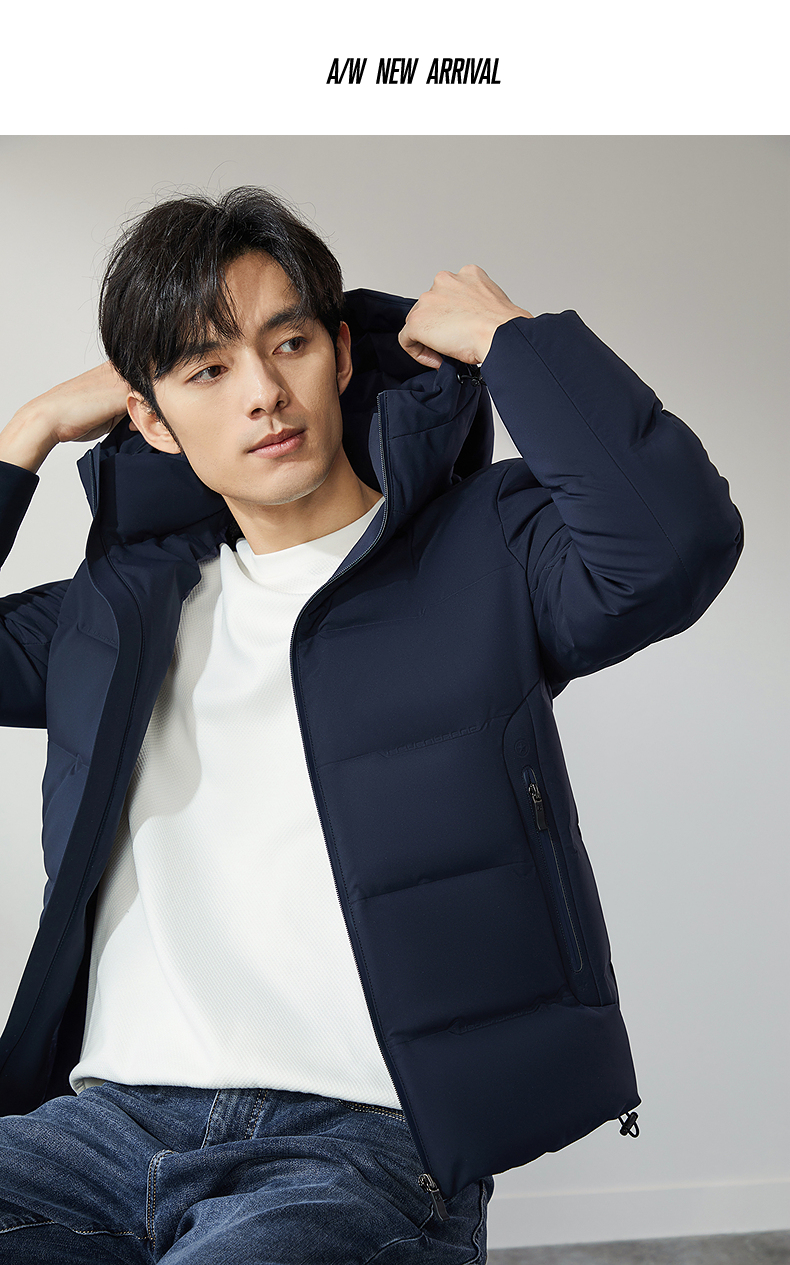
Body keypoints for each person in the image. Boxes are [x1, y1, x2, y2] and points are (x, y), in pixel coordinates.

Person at [0, 187, 743, 1262]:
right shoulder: (114, 617)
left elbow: (673, 546)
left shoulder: (486, 544)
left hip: (361, 1146)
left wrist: (512, 340)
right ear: (150, 419)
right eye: (207, 370)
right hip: (104, 1131)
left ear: (341, 354)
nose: (264, 393)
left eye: (288, 342)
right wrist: (23, 434)